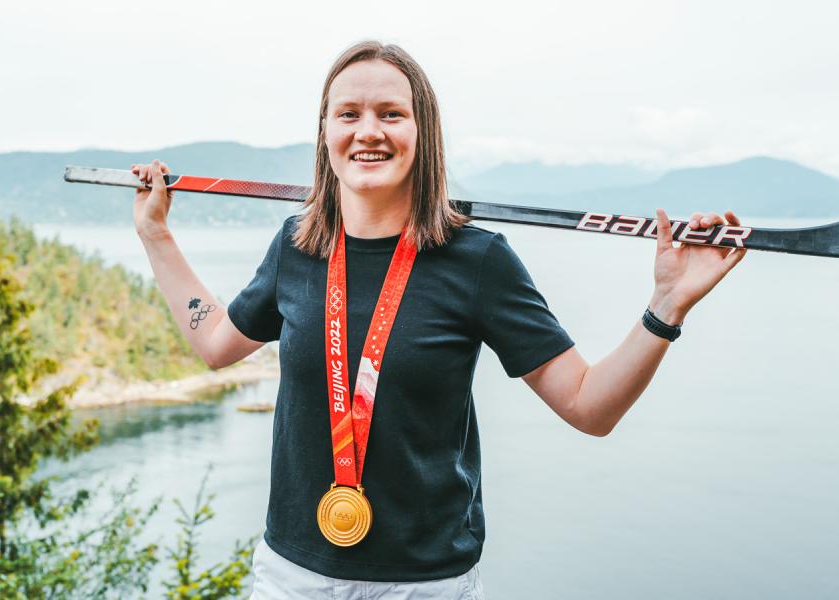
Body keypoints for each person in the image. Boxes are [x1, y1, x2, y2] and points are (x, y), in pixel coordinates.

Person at [131, 40, 745, 599]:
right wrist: (156, 234)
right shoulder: (298, 246)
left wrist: (667, 306)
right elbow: (217, 343)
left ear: (422, 132)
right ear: (325, 133)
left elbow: (589, 407)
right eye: (348, 114)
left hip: (424, 585)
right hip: (292, 577)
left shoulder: (477, 261)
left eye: (391, 114)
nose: (368, 131)